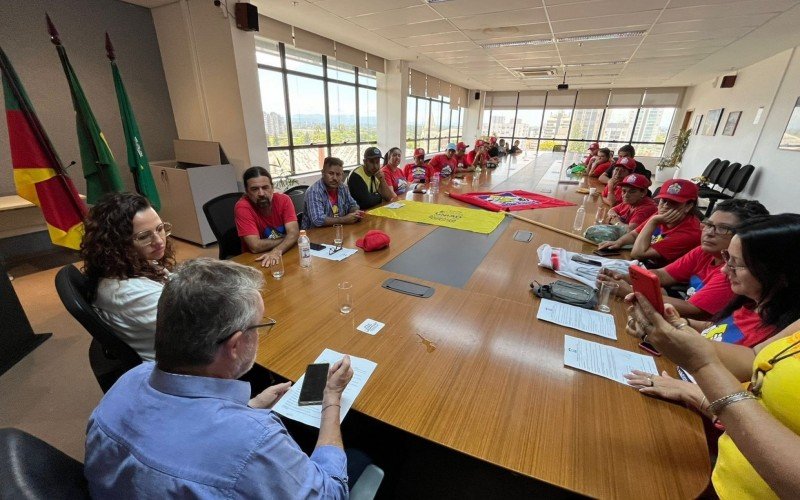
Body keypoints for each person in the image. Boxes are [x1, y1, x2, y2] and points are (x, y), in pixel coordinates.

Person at [84, 258, 355, 498]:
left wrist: (252, 406)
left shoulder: (125, 382)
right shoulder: (255, 442)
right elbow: (331, 494)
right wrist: (331, 399)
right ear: (235, 346)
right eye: (259, 326)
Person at [623, 214, 800, 498]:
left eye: (736, 263)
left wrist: (699, 367)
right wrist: (676, 330)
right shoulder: (758, 309)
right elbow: (752, 359)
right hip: (724, 474)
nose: (724, 270)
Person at [599, 199, 769, 318]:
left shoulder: (734, 271)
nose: (709, 232)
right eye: (708, 225)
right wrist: (623, 277)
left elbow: (694, 310)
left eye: (723, 229)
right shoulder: (705, 251)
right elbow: (663, 275)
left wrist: (630, 291)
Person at [81, 192, 175, 362]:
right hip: (182, 363)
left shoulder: (131, 264)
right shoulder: (128, 292)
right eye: (144, 236)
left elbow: (173, 281)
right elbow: (201, 327)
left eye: (160, 229)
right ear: (117, 244)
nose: (159, 241)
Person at [598, 178, 702, 266]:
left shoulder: (688, 232)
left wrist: (653, 221)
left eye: (674, 203)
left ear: (688, 206)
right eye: (664, 201)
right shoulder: (660, 215)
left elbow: (638, 254)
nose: (666, 206)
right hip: (647, 265)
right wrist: (618, 242)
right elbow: (634, 234)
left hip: (662, 277)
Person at [234, 166, 300, 267]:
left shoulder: (284, 200)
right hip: (256, 261)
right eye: (255, 189)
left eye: (265, 187)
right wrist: (288, 238)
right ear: (247, 192)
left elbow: (294, 233)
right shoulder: (242, 207)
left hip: (283, 254)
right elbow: (255, 246)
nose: (261, 193)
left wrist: (277, 251)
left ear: (272, 188)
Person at [303, 157, 363, 229]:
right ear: (323, 173)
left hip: (338, 230)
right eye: (331, 173)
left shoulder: (343, 187)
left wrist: (355, 212)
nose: (335, 178)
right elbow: (318, 220)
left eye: (338, 174)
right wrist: (345, 219)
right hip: (314, 235)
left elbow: (353, 204)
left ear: (342, 175)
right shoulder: (314, 191)